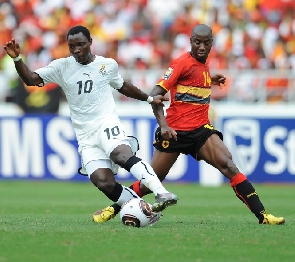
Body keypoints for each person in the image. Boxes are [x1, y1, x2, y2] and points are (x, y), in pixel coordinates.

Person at [95, 24, 285, 225]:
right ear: (191, 42)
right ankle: (113, 208)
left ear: (212, 43)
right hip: (175, 133)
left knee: (229, 165)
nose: (201, 47)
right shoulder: (180, 63)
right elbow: (154, 95)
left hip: (201, 131)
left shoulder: (203, 65)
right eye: (197, 42)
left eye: (206, 42)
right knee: (151, 182)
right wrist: (164, 126)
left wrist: (210, 80)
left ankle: (263, 216)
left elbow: (192, 81)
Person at [3, 25, 178, 223]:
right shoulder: (62, 67)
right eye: (72, 46)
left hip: (106, 122)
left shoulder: (107, 65)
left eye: (81, 45)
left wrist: (148, 99)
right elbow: (30, 79)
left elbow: (123, 86)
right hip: (85, 135)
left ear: (90, 43)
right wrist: (17, 58)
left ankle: (161, 192)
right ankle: (146, 211)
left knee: (121, 155)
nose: (77, 49)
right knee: (102, 181)